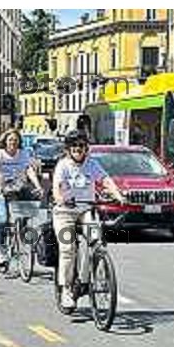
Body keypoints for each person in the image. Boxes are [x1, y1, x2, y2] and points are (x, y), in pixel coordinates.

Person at [52, 130, 124, 310]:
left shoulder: (92, 164)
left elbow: (105, 180)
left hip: (86, 210)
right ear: (68, 149)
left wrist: (117, 194)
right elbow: (56, 188)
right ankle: (66, 289)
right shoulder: (63, 165)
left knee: (96, 241)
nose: (78, 149)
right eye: (74, 146)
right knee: (68, 248)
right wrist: (61, 198)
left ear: (86, 148)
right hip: (64, 212)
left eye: (81, 146)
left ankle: (85, 279)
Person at [0, 129, 44, 268]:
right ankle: (1, 252)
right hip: (0, 189)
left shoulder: (23, 154)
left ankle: (22, 231)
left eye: (15, 140)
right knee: (3, 219)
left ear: (19, 142)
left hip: (17, 187)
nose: (13, 143)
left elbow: (29, 170)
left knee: (29, 209)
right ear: (5, 142)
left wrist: (37, 185)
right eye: (10, 140)